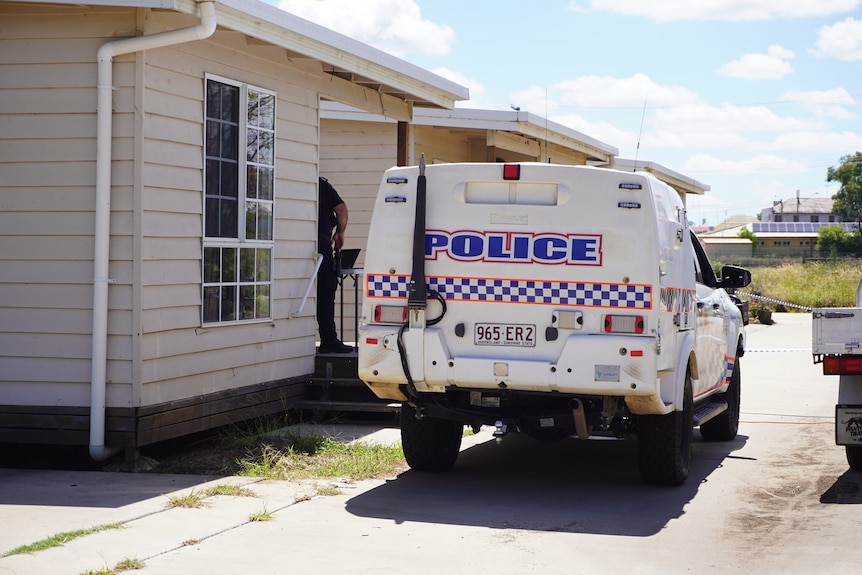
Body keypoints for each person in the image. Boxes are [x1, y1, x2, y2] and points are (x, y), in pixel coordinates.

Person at [317, 176, 352, 353]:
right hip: (321, 246)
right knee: (325, 292)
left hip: (294, 245)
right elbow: (342, 210)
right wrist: (340, 233)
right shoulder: (321, 185)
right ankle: (329, 340)